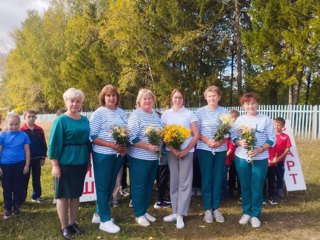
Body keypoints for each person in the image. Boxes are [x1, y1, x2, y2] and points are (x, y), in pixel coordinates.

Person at [49, 88, 91, 239]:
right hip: (65, 162)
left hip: (81, 161)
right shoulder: (61, 120)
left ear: (81, 103)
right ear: (66, 102)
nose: (75, 103)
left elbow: (88, 142)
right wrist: (55, 165)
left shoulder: (85, 120)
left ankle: (73, 223)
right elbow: (53, 144)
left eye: (78, 101)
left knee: (75, 194)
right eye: (71, 100)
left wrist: (88, 161)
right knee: (63, 195)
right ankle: (64, 226)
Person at [232, 92, 276, 228]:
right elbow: (233, 137)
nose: (250, 106)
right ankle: (246, 212)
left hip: (260, 158)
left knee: (257, 186)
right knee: (244, 186)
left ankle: (255, 214)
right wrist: (239, 142)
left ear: (258, 104)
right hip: (242, 158)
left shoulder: (265, 119)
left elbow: (272, 139)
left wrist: (259, 149)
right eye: (247, 103)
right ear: (243, 105)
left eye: (253, 103)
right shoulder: (239, 120)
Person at [89, 85, 128, 233]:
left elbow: (126, 131)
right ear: (103, 98)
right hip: (103, 154)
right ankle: (105, 220)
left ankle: (98, 214)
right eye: (108, 95)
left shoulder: (122, 112)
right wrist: (111, 145)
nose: (111, 98)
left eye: (113, 95)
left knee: (111, 185)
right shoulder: (99, 113)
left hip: (118, 155)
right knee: (103, 186)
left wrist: (125, 145)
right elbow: (92, 136)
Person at [162, 88, 199, 229]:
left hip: (186, 152)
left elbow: (195, 135)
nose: (177, 100)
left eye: (180, 97)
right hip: (172, 152)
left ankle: (181, 214)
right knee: (174, 181)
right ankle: (174, 211)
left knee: (185, 182)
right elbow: (164, 134)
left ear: (183, 99)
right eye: (175, 97)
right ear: (171, 98)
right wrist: (173, 148)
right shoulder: (165, 115)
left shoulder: (190, 114)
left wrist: (185, 150)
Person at [128, 88, 163, 227]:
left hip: (153, 157)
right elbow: (131, 137)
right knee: (139, 185)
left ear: (153, 100)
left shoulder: (155, 115)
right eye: (144, 99)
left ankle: (144, 210)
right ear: (139, 101)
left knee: (149, 185)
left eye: (150, 98)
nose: (147, 101)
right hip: (139, 157)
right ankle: (138, 214)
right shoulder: (136, 115)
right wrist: (148, 147)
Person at [195, 85, 229, 224]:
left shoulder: (224, 111)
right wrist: (207, 141)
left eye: (214, 95)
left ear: (219, 97)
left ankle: (216, 208)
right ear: (205, 97)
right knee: (207, 178)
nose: (212, 98)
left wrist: (219, 143)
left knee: (218, 178)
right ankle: (207, 209)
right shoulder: (200, 112)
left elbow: (228, 132)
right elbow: (196, 131)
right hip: (205, 149)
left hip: (220, 150)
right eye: (209, 96)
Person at [0, 113, 30, 219]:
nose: (14, 127)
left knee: (18, 187)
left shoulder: (23, 135)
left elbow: (27, 150)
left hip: (19, 164)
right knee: (7, 187)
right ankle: (7, 209)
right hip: (5, 165)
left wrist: (27, 164)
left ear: (19, 124)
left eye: (16, 124)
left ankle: (16, 207)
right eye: (11, 124)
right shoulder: (2, 136)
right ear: (7, 124)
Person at [20, 110, 47, 203]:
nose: (31, 118)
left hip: (37, 158)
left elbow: (43, 144)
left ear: (35, 117)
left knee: (36, 178)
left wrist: (43, 157)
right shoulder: (21, 131)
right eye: (29, 117)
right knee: (24, 178)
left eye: (33, 116)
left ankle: (36, 196)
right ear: (24, 118)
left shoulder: (39, 130)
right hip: (24, 160)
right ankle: (22, 198)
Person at [273, 117, 292, 197]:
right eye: (275, 124)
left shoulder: (286, 136)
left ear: (283, 126)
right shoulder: (270, 136)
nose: (276, 126)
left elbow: (287, 149)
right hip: (270, 161)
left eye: (278, 125)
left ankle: (279, 189)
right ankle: (270, 189)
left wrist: (279, 158)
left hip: (280, 160)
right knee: (270, 175)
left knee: (280, 175)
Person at [225, 110, 240, 199]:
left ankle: (238, 190)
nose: (233, 119)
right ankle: (230, 189)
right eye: (231, 117)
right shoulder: (226, 127)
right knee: (230, 173)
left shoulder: (239, 127)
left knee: (236, 172)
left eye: (235, 117)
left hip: (235, 153)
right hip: (228, 152)